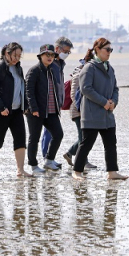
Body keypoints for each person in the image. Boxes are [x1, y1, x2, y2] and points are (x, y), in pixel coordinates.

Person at [72, 37, 128, 181]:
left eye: (111, 50)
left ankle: (112, 172)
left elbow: (115, 88)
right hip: (92, 114)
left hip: (107, 114)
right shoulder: (89, 67)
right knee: (86, 143)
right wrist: (104, 102)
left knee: (110, 143)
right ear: (97, 49)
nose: (109, 52)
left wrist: (113, 102)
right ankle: (77, 171)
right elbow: (85, 89)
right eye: (107, 49)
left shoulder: (109, 68)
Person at [0, 42, 32, 178]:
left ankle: (20, 170)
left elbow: (22, 88)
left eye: (19, 56)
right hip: (1, 111)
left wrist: (25, 106)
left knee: (20, 139)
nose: (17, 58)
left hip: (16, 111)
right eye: (15, 55)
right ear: (7, 53)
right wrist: (1, 107)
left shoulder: (18, 69)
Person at [25, 44, 64, 173]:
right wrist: (33, 108)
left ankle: (49, 160)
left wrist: (59, 106)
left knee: (58, 134)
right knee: (34, 138)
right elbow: (28, 91)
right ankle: (33, 165)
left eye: (52, 55)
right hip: (36, 111)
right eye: (47, 54)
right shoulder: (34, 70)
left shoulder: (52, 70)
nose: (50, 57)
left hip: (52, 111)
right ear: (40, 56)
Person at [39, 37, 73, 166]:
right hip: (48, 103)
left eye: (68, 52)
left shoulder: (59, 63)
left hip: (56, 103)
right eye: (65, 51)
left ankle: (49, 158)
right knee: (50, 132)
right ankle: (46, 158)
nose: (66, 54)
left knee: (51, 132)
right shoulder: (50, 63)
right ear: (57, 48)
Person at [62, 58, 98, 170]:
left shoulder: (89, 75)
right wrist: (82, 109)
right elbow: (74, 95)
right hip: (78, 112)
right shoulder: (78, 75)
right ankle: (79, 158)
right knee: (83, 137)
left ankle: (72, 155)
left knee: (84, 137)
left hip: (85, 111)